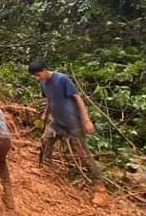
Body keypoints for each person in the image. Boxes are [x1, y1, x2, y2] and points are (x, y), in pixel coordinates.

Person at [28, 60, 110, 205]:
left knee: (82, 154)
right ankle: (47, 165)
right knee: (45, 139)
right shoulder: (43, 83)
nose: (37, 77)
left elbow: (78, 98)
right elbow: (49, 99)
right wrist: (45, 114)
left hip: (74, 123)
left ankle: (99, 185)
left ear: (45, 70)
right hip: (57, 122)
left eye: (38, 74)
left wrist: (86, 120)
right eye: (35, 75)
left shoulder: (62, 79)